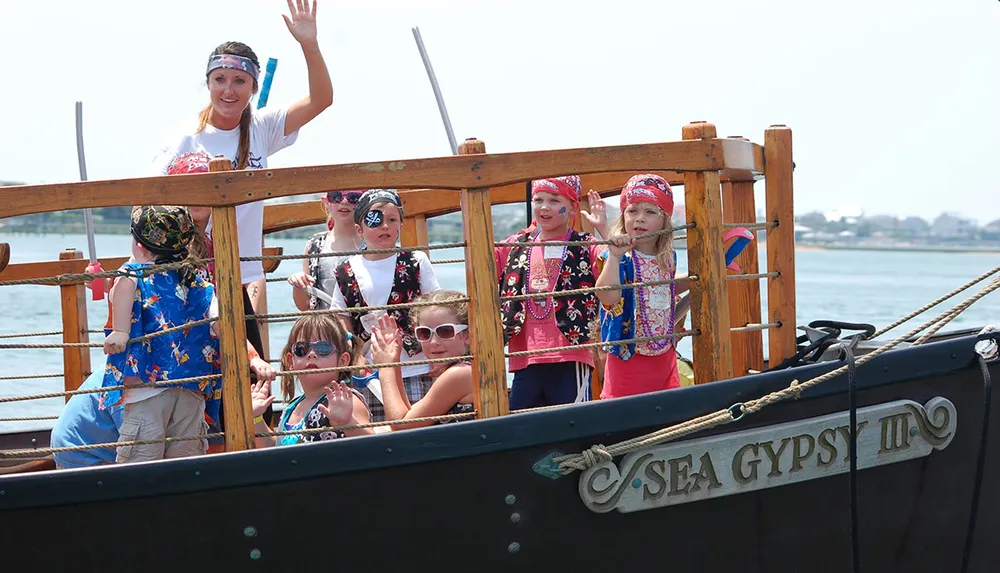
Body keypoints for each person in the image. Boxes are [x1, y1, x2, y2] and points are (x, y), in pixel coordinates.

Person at [150, 0, 333, 324]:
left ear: (253, 87)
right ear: (208, 83)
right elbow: (149, 201)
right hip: (190, 275)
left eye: (239, 81)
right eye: (220, 79)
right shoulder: (185, 138)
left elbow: (321, 99)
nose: (228, 90)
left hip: (247, 273)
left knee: (254, 370)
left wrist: (309, 44)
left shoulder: (262, 127)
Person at [101, 206, 221, 463]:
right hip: (191, 385)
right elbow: (215, 311)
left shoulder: (135, 272)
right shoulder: (196, 278)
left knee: (140, 464)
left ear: (140, 245)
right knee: (187, 462)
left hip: (148, 387)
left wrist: (121, 331)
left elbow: (123, 286)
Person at [494, 176, 609, 410]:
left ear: (573, 207)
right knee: (520, 423)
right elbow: (482, 263)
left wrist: (604, 229)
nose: (544, 207)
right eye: (538, 200)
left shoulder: (586, 244)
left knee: (573, 422)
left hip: (570, 353)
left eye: (554, 200)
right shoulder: (516, 244)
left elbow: (613, 264)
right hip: (526, 355)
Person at [329, 189, 441, 422]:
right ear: (359, 229)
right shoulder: (345, 270)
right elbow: (341, 317)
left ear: (400, 224)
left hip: (417, 365)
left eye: (392, 220)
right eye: (375, 221)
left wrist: (439, 357)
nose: (385, 226)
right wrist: (356, 354)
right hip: (370, 373)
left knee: (418, 425)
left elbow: (434, 308)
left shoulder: (416, 260)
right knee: (377, 428)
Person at [595, 174, 691, 398]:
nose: (639, 218)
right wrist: (615, 257)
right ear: (623, 217)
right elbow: (607, 298)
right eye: (632, 211)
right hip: (627, 358)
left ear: (665, 220)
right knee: (624, 412)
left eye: (650, 212)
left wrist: (702, 278)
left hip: (664, 356)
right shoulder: (619, 256)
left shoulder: (668, 259)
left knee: (667, 412)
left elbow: (665, 291)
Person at [249, 314, 373, 447]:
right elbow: (275, 449)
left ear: (342, 361)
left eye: (323, 348)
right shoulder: (293, 406)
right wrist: (256, 418)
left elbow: (372, 448)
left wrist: (348, 423)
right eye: (301, 349)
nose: (312, 354)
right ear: (291, 361)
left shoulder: (346, 400)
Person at [369, 290, 475, 429]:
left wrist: (385, 367)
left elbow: (401, 426)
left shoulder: (459, 374)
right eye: (424, 333)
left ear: (467, 335)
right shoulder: (460, 370)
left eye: (445, 331)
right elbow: (408, 415)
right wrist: (394, 363)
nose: (434, 342)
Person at [287, 189, 364, 311]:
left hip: (363, 326)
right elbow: (304, 305)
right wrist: (298, 284)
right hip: (326, 327)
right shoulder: (315, 246)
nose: (344, 202)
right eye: (336, 196)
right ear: (326, 202)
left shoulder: (372, 244)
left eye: (353, 197)